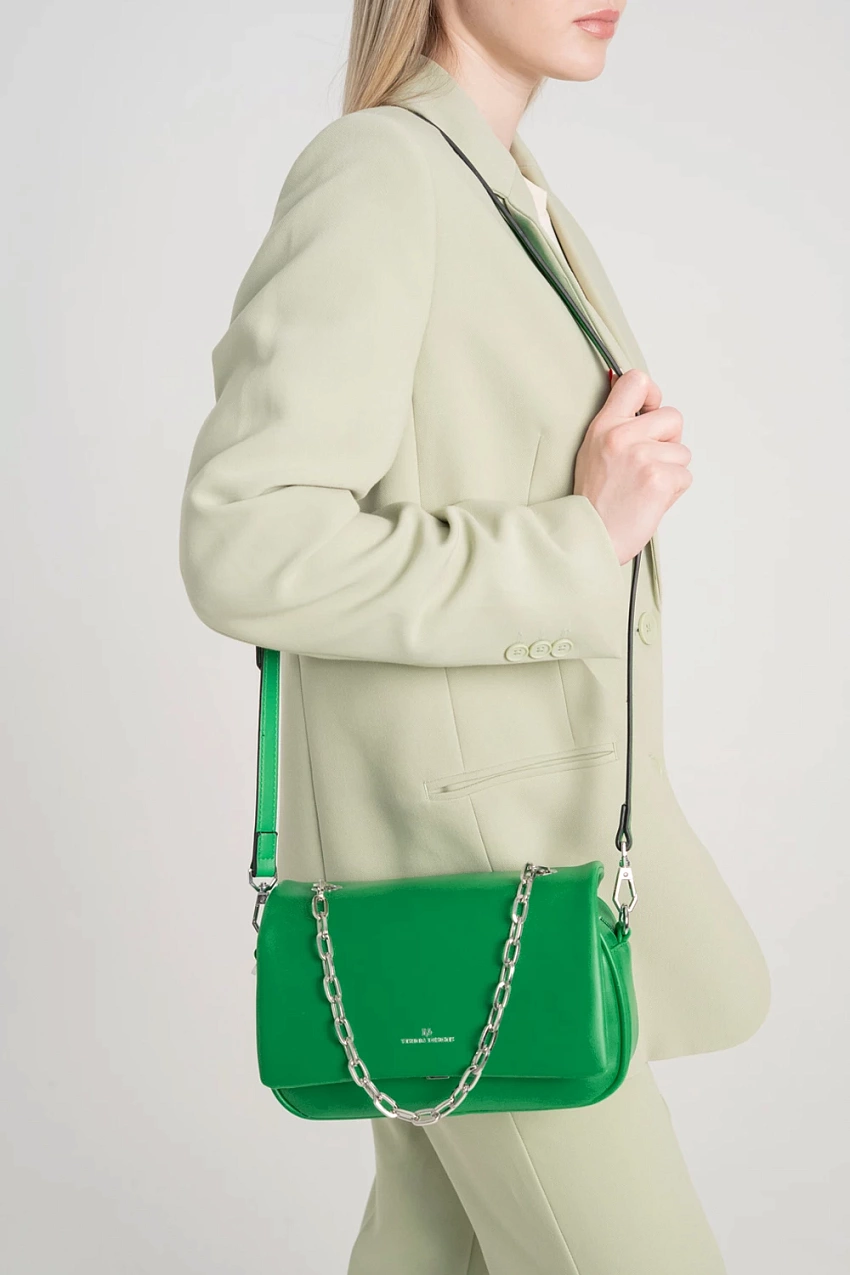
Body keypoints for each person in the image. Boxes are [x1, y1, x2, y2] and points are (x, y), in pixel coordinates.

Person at [179, 2, 771, 1271]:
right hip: (483, 893)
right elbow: (247, 544)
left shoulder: (500, 189)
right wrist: (577, 539)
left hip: (518, 884)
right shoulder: (381, 172)